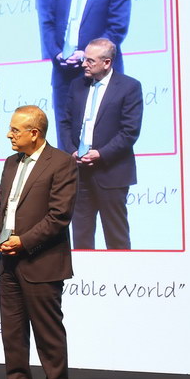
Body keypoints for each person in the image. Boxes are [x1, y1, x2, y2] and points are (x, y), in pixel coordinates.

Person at [0, 105, 77, 379]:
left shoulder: (62, 163)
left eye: (15, 130)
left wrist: (23, 241)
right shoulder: (11, 163)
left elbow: (59, 216)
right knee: (12, 333)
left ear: (34, 133)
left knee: (48, 333)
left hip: (42, 261)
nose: (9, 135)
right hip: (8, 261)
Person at [41, 0, 131, 149]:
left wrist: (86, 55)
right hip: (64, 73)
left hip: (100, 73)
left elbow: (117, 28)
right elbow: (48, 24)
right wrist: (56, 53)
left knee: (104, 137)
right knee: (66, 140)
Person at [59, 38, 143, 249]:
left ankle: (121, 271)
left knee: (116, 237)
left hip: (111, 172)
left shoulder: (129, 87)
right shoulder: (77, 86)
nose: (83, 64)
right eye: (85, 59)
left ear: (107, 63)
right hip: (79, 173)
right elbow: (65, 123)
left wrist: (101, 154)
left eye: (90, 61)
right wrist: (71, 150)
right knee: (81, 238)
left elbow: (129, 131)